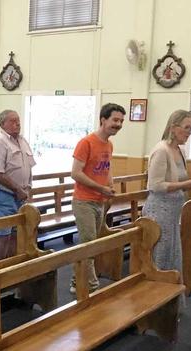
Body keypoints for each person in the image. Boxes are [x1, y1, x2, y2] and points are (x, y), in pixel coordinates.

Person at [143, 110, 191, 277]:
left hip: (174, 211)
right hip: (159, 211)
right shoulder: (161, 150)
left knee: (172, 255)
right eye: (186, 128)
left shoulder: (180, 150)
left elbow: (179, 180)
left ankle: (170, 298)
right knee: (160, 257)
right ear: (174, 128)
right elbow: (155, 185)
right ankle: (156, 296)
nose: (189, 132)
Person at [69, 103, 125, 294]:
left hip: (100, 201)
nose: (118, 124)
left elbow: (106, 168)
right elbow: (75, 173)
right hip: (83, 200)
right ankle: (92, 286)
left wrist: (110, 185)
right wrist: (100, 187)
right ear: (103, 119)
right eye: (115, 120)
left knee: (91, 242)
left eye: (121, 121)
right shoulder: (86, 142)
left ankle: (77, 281)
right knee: (89, 243)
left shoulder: (109, 144)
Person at [0, 110, 35, 259]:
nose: (17, 124)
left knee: (16, 231)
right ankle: (0, 267)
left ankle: (12, 265)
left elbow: (28, 166)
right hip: (3, 194)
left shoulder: (22, 140)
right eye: (13, 121)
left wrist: (27, 188)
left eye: (18, 120)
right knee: (4, 234)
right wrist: (17, 188)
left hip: (20, 194)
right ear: (2, 124)